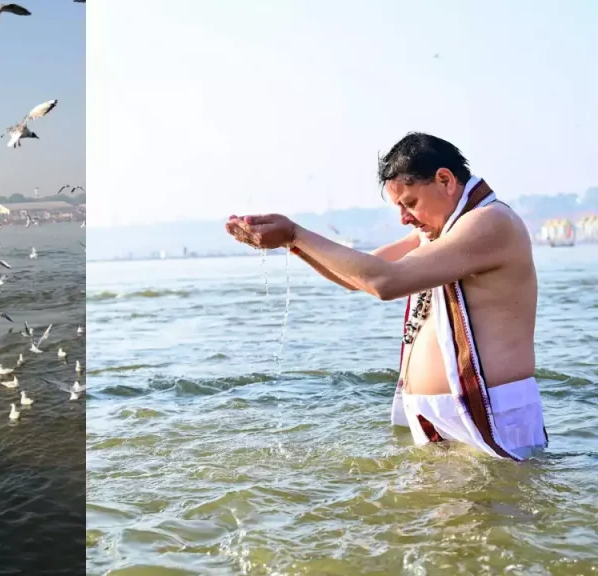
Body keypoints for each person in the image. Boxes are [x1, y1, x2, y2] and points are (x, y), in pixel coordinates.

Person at [225, 133, 548, 461]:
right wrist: (291, 244)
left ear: (445, 180)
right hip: (440, 416)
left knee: (496, 512)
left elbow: (385, 281)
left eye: (410, 203)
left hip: (492, 411)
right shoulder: (437, 232)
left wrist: (296, 234)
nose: (404, 218)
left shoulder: (490, 223)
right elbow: (356, 277)